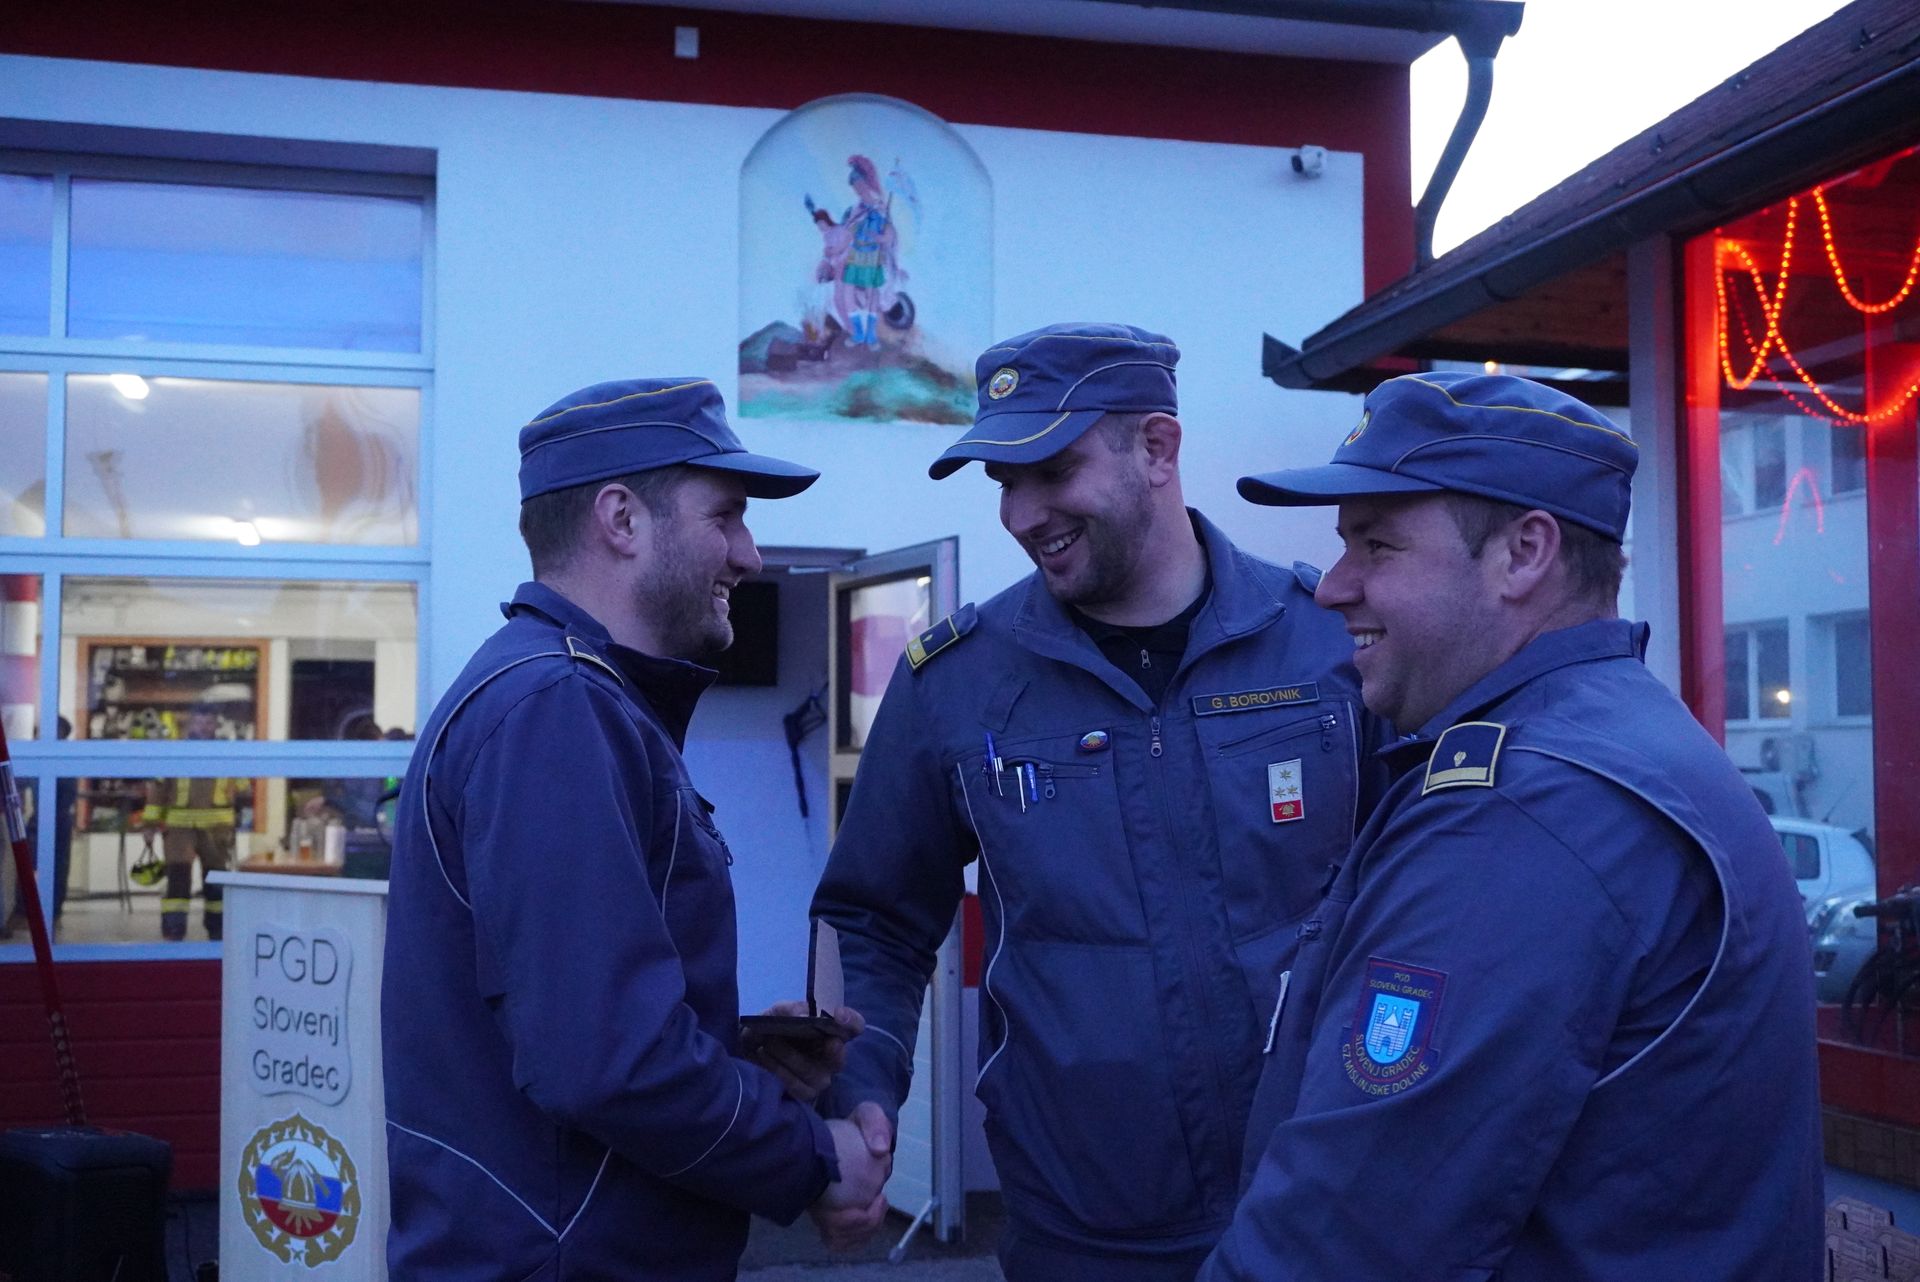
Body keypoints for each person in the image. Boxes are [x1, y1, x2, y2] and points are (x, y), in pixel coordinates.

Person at [1199, 371, 1823, 1280]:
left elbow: (1346, 1240)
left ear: (1524, 554)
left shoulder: (1530, 809)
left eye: (1377, 544)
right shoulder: (1605, 743)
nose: (1332, 587)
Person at [810, 323, 1386, 1278]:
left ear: (1157, 447)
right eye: (1005, 482)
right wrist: (862, 1095)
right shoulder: (957, 683)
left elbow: (1432, 894)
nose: (1022, 513)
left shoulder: (1326, 645)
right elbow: (873, 920)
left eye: (1053, 470)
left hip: (1325, 1206)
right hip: (1084, 1230)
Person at [381, 377, 890, 1281]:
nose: (749, 554)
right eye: (726, 516)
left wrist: (741, 1060)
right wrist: (814, 1158)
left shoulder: (568, 697)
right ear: (622, 519)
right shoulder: (556, 707)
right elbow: (603, 1061)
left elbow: (574, 1027)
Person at [142, 704, 246, 942]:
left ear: (216, 724)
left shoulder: (228, 753)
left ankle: (218, 931)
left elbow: (242, 786)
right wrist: (149, 824)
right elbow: (158, 790)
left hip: (217, 829)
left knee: (217, 882)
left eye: (209, 722)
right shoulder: (175, 752)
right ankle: (174, 930)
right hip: (180, 828)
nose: (204, 727)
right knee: (178, 880)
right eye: (200, 722)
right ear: (192, 724)